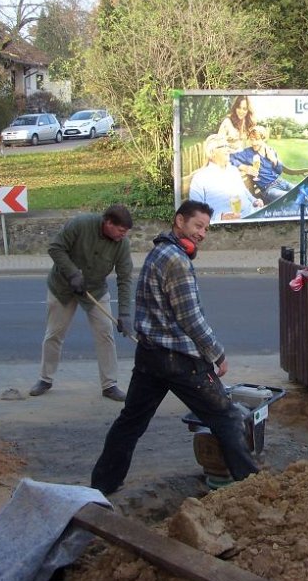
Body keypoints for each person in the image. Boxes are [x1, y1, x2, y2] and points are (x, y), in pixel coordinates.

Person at [90, 200, 259, 495]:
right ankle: (252, 487)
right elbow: (190, 318)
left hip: (149, 357)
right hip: (178, 360)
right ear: (179, 221)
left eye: (206, 229)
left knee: (131, 422)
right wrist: (217, 353)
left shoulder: (159, 252)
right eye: (198, 226)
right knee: (227, 417)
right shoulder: (176, 261)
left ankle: (103, 484)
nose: (202, 233)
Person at [29, 204, 134, 402]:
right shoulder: (81, 224)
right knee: (54, 334)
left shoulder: (122, 244)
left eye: (126, 231)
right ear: (108, 223)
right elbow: (55, 247)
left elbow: (125, 278)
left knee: (105, 333)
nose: (123, 235)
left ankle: (109, 385)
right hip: (62, 287)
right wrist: (72, 273)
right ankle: (45, 379)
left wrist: (125, 313)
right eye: (121, 230)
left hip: (95, 290)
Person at [187, 133, 262, 221]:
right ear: (212, 152)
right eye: (223, 146)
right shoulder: (200, 178)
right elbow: (195, 211)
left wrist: (255, 201)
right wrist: (219, 217)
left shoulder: (233, 170)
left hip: (253, 213)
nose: (228, 149)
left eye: (227, 146)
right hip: (231, 223)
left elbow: (244, 191)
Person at [229, 125, 293, 203]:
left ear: (263, 139)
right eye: (252, 140)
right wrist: (244, 167)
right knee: (290, 198)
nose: (254, 143)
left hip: (281, 182)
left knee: (302, 191)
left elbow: (279, 171)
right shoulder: (248, 153)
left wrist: (274, 160)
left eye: (257, 139)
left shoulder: (270, 150)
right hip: (269, 190)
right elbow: (230, 157)